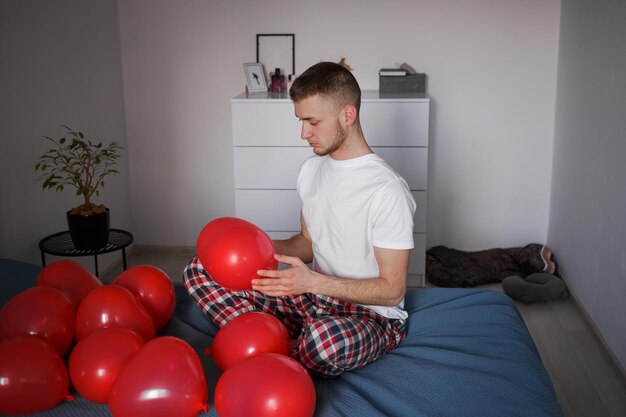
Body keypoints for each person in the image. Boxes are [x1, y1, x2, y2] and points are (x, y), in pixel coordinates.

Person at [184, 61, 416, 377]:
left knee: (324, 343)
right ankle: (282, 343)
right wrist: (253, 249)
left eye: (312, 122)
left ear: (348, 115)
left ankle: (280, 345)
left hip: (370, 316)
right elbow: (307, 243)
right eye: (301, 120)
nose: (303, 133)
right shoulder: (311, 170)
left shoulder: (388, 190)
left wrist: (312, 281)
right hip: (312, 299)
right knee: (200, 268)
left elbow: (392, 290)